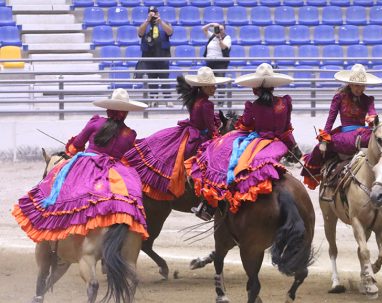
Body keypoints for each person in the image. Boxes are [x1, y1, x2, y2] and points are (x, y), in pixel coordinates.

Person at [13, 88, 149, 242]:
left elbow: (76, 145)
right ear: (126, 112)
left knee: (64, 187)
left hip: (87, 163)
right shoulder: (130, 134)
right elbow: (126, 157)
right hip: (114, 168)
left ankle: (61, 228)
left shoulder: (96, 122)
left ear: (108, 109)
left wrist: (74, 151)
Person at [189, 63, 300, 219]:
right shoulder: (286, 102)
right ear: (273, 86)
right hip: (279, 145)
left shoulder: (253, 106)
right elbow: (287, 129)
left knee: (226, 153)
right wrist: (293, 147)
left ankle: (211, 204)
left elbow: (245, 125)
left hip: (259, 142)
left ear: (256, 88)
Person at [123, 67, 231, 201]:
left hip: (188, 132)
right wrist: (219, 139)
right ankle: (207, 196)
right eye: (211, 85)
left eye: (215, 85)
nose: (214, 88)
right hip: (199, 137)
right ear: (203, 86)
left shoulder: (195, 99)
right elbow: (210, 129)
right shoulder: (207, 104)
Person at [301, 63, 382, 189]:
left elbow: (373, 114)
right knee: (319, 149)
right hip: (346, 136)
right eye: (356, 85)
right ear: (349, 84)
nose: (359, 89)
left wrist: (373, 120)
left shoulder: (368, 99)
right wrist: (324, 138)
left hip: (363, 134)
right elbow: (331, 119)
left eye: (362, 86)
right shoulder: (339, 97)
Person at [136, 6, 173, 107]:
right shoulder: (145, 24)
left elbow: (170, 32)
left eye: (154, 12)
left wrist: (160, 22)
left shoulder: (164, 23)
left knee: (165, 79)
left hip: (163, 56)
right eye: (151, 13)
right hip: (149, 57)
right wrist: (147, 21)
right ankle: (153, 99)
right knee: (152, 80)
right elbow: (140, 33)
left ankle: (167, 99)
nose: (153, 14)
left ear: (158, 13)